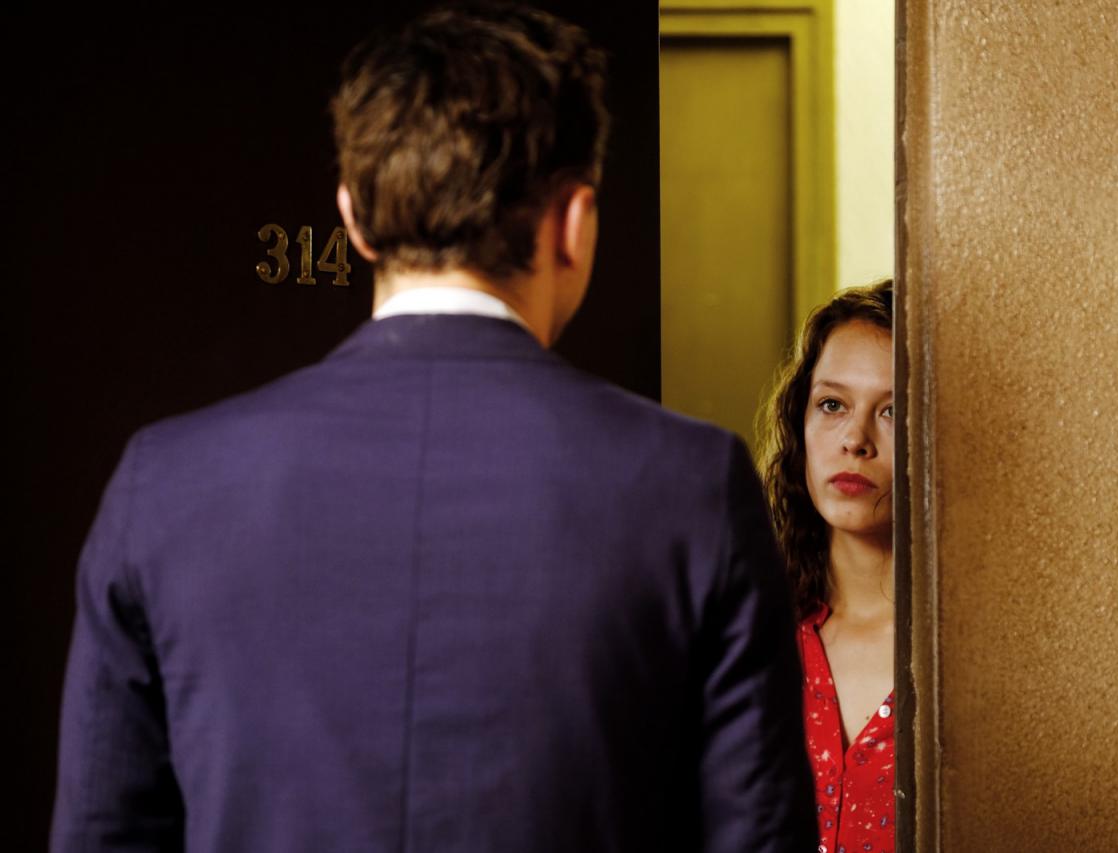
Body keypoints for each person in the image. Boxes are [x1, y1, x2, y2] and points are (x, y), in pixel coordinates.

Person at [50, 4, 817, 851]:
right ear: (574, 221)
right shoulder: (692, 485)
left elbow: (103, 833)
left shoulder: (166, 483)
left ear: (353, 217)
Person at [759, 280, 896, 853]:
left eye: (892, 411)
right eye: (832, 405)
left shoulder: (977, 663)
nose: (855, 440)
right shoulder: (753, 639)